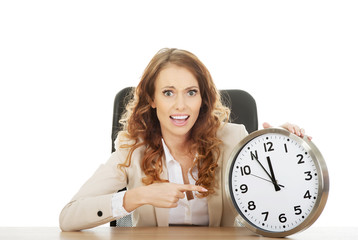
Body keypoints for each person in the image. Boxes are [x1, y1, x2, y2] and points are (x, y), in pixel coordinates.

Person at [59, 48, 309, 231]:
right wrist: (139, 196)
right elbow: (69, 217)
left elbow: (273, 201)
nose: (181, 105)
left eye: (191, 92)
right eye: (168, 93)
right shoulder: (132, 148)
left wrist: (280, 147)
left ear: (203, 99)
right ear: (152, 100)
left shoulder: (235, 140)